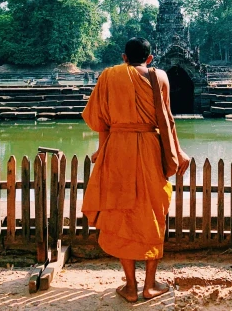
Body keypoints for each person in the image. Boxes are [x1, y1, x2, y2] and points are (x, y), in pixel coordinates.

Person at [81, 37, 190, 303]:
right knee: (153, 212)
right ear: (150, 58)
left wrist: (102, 148)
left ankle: (130, 287)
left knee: (122, 214)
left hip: (118, 149)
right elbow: (166, 119)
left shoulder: (109, 75)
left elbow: (101, 120)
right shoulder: (160, 77)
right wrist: (177, 151)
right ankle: (150, 285)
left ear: (124, 57)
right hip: (151, 149)